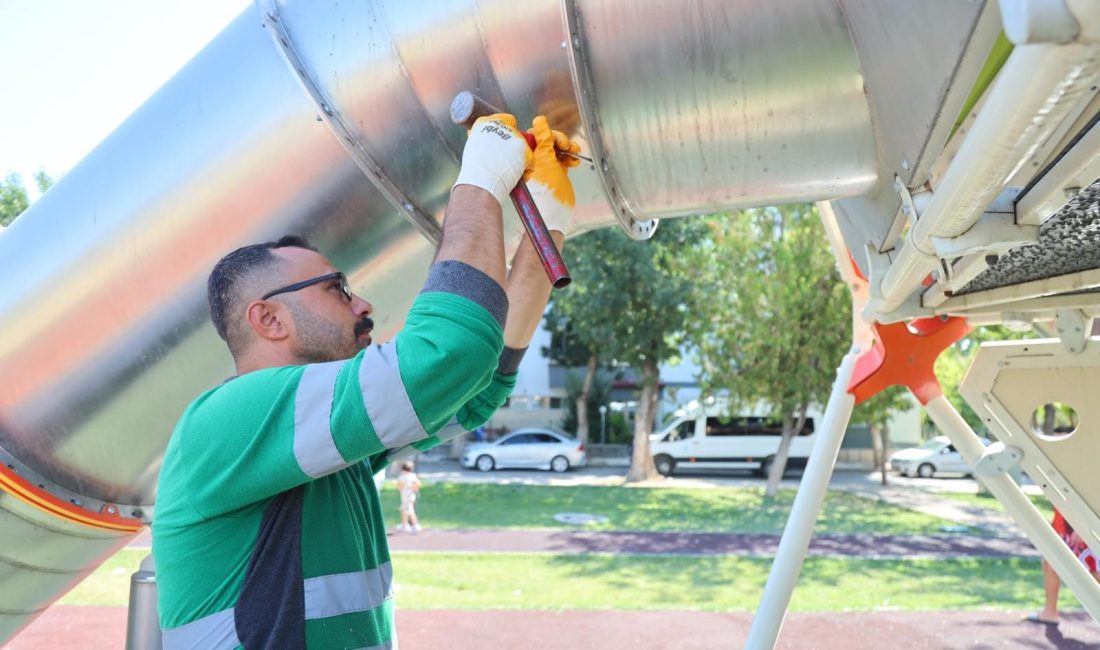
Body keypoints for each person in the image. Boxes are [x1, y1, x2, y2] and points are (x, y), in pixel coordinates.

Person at [152, 112, 580, 648]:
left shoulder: (322, 448)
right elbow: (445, 357)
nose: (363, 303)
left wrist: (547, 231)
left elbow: (476, 387)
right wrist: (481, 179)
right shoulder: (227, 419)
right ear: (268, 319)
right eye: (336, 288)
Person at [1029, 508, 1100, 626]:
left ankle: (1049, 612)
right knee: (1052, 561)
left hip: (1088, 520)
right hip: (1069, 519)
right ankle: (1049, 613)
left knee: (1093, 572)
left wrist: (1084, 527)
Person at [396, 461, 421, 532]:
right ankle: (405, 524)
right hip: (411, 496)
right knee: (404, 510)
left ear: (403, 469)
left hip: (406, 496)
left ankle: (416, 525)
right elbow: (418, 484)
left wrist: (399, 486)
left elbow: (400, 486)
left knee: (410, 510)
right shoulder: (413, 476)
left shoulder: (402, 477)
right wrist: (414, 489)